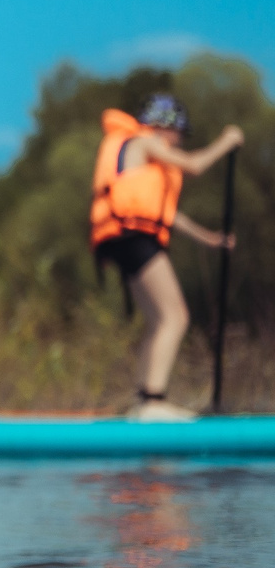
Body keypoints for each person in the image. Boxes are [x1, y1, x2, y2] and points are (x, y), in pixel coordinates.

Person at [90, 93, 243, 421]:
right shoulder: (146, 142)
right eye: (179, 133)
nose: (179, 141)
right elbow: (196, 166)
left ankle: (143, 401)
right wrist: (227, 141)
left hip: (124, 238)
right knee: (176, 317)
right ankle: (153, 403)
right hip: (135, 238)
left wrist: (212, 239)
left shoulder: (141, 155)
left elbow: (168, 216)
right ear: (164, 127)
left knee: (159, 320)